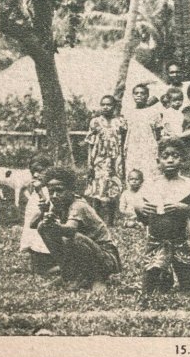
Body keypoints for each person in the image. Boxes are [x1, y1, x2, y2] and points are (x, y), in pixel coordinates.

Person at [33, 167, 121, 291]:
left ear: (72, 190)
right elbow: (33, 224)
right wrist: (43, 211)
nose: (54, 195)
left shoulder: (78, 205)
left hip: (105, 258)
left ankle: (98, 278)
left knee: (72, 237)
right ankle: (68, 274)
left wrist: (55, 226)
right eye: (51, 191)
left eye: (59, 191)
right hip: (86, 251)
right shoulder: (59, 203)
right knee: (43, 227)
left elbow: (70, 230)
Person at [134, 137, 190, 294]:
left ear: (183, 159)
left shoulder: (189, 186)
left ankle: (169, 275)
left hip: (179, 242)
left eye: (175, 156)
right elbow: (145, 220)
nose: (170, 160)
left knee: (188, 289)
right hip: (155, 241)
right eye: (165, 157)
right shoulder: (151, 185)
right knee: (148, 290)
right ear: (158, 160)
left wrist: (185, 209)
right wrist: (139, 209)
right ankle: (164, 276)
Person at [84, 95, 127, 226]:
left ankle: (110, 221)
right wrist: (89, 162)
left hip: (115, 159)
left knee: (112, 188)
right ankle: (96, 220)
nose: (105, 107)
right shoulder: (95, 122)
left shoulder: (120, 122)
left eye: (109, 105)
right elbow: (90, 144)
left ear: (114, 107)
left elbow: (124, 141)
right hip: (99, 159)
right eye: (103, 104)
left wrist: (123, 160)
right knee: (97, 189)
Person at [19, 155, 56, 275]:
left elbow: (47, 207)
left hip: (46, 236)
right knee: (37, 268)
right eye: (33, 171)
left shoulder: (52, 190)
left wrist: (40, 191)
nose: (35, 175)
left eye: (40, 171)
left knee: (44, 270)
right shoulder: (37, 190)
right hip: (34, 233)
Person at [124, 83, 163, 181]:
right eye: (136, 93)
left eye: (142, 93)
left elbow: (158, 134)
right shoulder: (128, 113)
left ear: (147, 96)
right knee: (133, 175)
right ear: (132, 95)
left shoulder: (154, 113)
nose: (139, 95)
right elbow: (125, 133)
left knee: (149, 175)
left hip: (149, 150)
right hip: (132, 150)